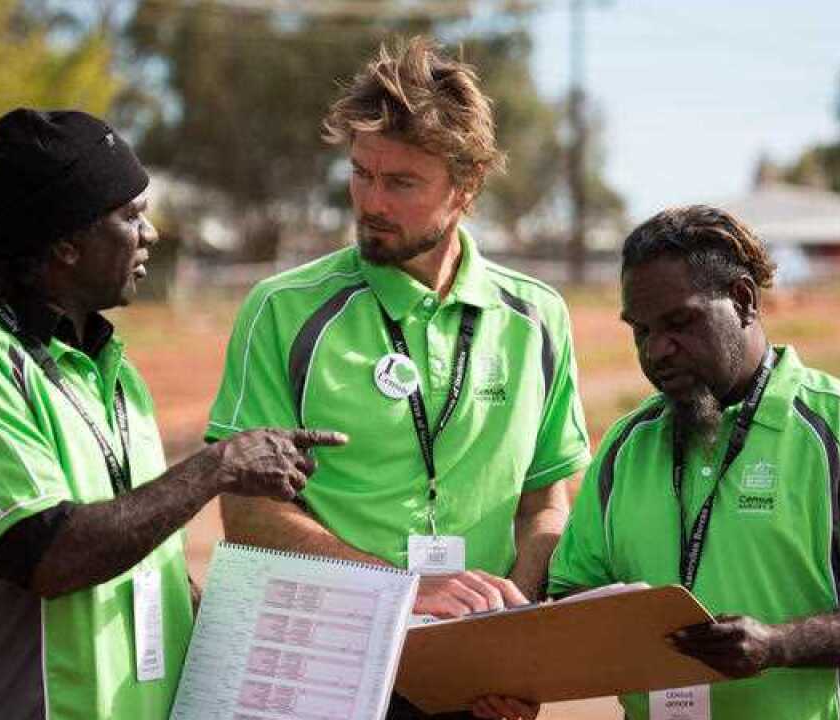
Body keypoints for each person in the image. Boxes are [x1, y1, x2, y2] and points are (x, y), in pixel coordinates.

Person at [0, 108, 345, 720]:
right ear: (64, 242)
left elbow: (141, 543)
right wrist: (217, 467)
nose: (151, 233)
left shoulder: (112, 372)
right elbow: (46, 553)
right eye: (130, 215)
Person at [205, 37, 591, 720]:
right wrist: (403, 592)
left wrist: (511, 632)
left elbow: (544, 504)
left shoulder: (538, 320)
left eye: (402, 182)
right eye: (361, 174)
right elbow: (247, 512)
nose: (371, 202)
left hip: (474, 683)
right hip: (322, 671)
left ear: (466, 186)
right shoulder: (283, 311)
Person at [548, 205, 840, 720]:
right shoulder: (626, 445)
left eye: (679, 323)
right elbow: (575, 590)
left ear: (742, 300)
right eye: (641, 331)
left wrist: (776, 644)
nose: (657, 351)